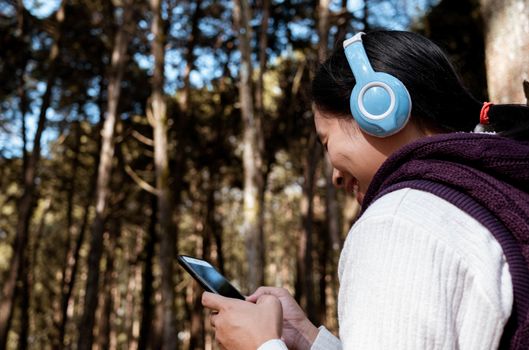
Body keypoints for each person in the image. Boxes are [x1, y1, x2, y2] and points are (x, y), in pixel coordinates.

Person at [202, 30, 529, 350]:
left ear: (378, 107)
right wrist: (307, 338)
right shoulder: (493, 186)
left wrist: (260, 345)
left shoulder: (398, 220)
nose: (335, 177)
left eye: (326, 141)